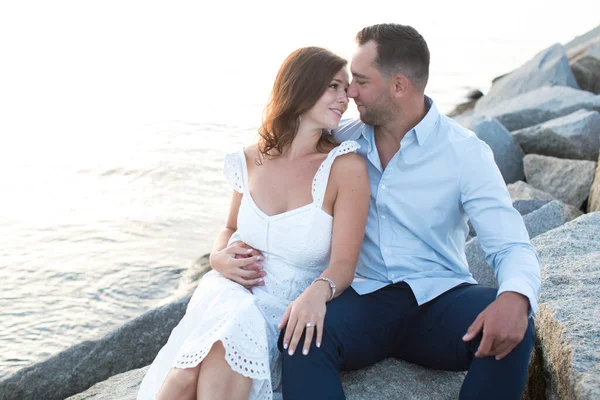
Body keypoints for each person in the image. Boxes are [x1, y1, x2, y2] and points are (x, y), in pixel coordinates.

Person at [215, 24, 541, 399]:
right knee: (300, 336)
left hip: (438, 299)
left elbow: (511, 245)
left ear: (399, 85)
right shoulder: (340, 142)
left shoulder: (464, 152)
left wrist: (515, 297)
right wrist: (223, 253)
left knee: (515, 325)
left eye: (360, 81)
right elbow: (274, 164)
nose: (349, 92)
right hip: (361, 300)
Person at [136, 46, 370, 400]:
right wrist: (217, 258)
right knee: (187, 378)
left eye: (346, 88)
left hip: (282, 307)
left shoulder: (344, 168)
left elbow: (343, 265)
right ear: (301, 88)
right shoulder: (251, 158)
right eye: (334, 87)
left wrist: (316, 295)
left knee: (205, 368)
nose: (345, 98)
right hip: (228, 292)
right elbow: (229, 228)